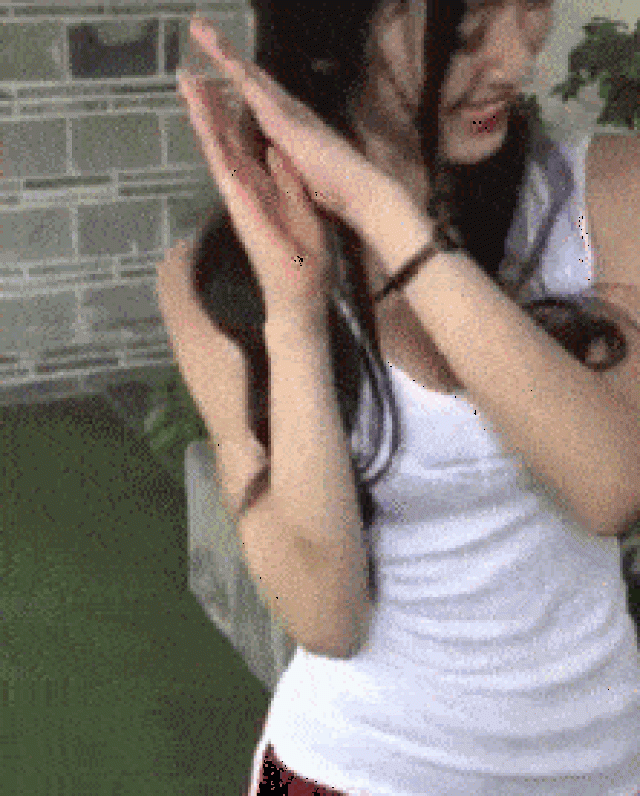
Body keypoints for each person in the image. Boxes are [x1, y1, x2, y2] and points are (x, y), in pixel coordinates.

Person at [159, 1, 640, 793]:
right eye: (468, 30)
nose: (517, 61)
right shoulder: (217, 283)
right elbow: (326, 617)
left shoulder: (607, 192)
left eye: (531, 7)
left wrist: (385, 212)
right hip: (356, 770)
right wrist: (296, 319)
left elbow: (610, 485)